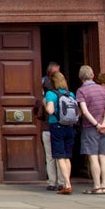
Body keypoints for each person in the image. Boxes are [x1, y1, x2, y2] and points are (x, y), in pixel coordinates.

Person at [76, 65, 105, 195]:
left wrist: (96, 125)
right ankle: (104, 185)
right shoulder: (102, 90)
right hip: (104, 127)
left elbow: (84, 111)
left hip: (90, 127)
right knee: (103, 156)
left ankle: (97, 185)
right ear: (92, 76)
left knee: (93, 157)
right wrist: (104, 124)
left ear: (80, 78)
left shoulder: (81, 91)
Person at [43, 69, 78, 195]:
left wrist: (46, 104)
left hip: (56, 126)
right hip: (70, 126)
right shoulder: (71, 94)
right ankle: (67, 182)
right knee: (67, 157)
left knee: (59, 156)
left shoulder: (50, 94)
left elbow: (50, 111)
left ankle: (67, 184)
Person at [37, 62, 62, 190]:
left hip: (48, 128)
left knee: (50, 156)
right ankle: (62, 181)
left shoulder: (46, 96)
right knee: (61, 156)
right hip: (63, 128)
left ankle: (52, 182)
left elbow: (38, 113)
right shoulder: (68, 94)